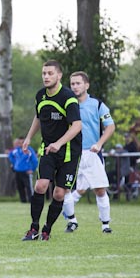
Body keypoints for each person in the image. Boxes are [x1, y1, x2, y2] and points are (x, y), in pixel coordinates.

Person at [21, 60, 82, 242]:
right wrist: (28, 137)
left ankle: (47, 230)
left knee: (59, 193)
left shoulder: (68, 97)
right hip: (48, 149)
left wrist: (59, 143)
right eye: (44, 73)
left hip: (69, 151)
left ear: (59, 75)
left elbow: (77, 126)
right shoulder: (40, 95)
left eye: (50, 73)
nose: (46, 77)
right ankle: (34, 228)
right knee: (40, 186)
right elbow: (38, 117)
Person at [63, 71, 115, 234]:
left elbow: (110, 126)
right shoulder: (67, 104)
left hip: (92, 154)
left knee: (99, 189)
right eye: (72, 84)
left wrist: (99, 144)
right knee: (65, 188)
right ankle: (71, 221)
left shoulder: (97, 105)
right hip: (72, 153)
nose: (75, 86)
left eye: (78, 83)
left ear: (86, 85)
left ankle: (105, 225)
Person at [7, 137, 38, 203]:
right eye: (19, 142)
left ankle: (31, 200)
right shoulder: (16, 150)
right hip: (18, 171)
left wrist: (32, 169)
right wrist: (14, 163)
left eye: (22, 142)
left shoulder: (29, 150)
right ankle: (23, 201)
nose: (20, 144)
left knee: (28, 187)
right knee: (20, 187)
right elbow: (10, 155)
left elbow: (35, 160)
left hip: (26, 171)